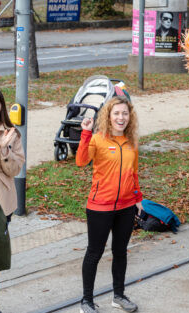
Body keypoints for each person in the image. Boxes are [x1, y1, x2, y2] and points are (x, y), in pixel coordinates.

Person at [76, 96, 144, 313]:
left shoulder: (131, 142)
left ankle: (119, 296)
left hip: (126, 207)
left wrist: (138, 198)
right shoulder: (98, 139)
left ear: (129, 116)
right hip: (99, 207)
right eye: (116, 113)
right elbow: (81, 161)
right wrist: (85, 133)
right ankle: (86, 301)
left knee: (121, 252)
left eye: (125, 113)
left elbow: (133, 174)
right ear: (108, 115)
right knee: (94, 253)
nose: (121, 117)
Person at [0, 86, 25, 313]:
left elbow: (15, 169)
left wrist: (5, 151)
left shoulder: (12, 133)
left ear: (1, 106)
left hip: (0, 199)